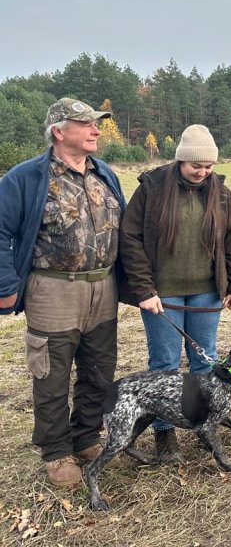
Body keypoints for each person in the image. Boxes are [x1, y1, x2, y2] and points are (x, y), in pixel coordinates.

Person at [0, 98, 126, 488]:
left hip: (102, 286)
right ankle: (56, 452)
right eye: (86, 123)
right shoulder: (25, 178)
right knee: (51, 375)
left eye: (97, 124)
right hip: (52, 289)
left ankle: (87, 436)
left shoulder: (105, 173)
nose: (96, 130)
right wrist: (6, 287)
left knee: (99, 371)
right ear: (59, 131)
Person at [119, 124, 231, 460]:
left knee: (204, 361)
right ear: (180, 161)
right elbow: (130, 239)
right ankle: (164, 434)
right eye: (196, 166)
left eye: (208, 166)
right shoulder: (152, 187)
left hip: (207, 292)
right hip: (162, 294)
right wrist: (143, 288)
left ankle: (205, 427)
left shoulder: (220, 192)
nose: (202, 172)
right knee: (165, 365)